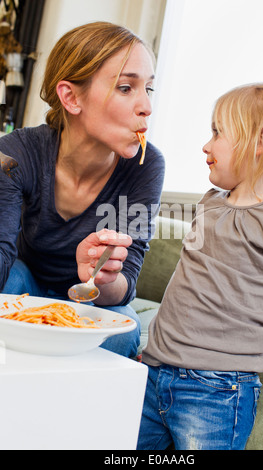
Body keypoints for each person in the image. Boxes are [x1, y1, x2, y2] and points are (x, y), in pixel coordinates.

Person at [137, 82, 263, 450]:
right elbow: (189, 284)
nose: (206, 146)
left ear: (261, 140)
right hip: (154, 371)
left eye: (217, 132)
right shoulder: (210, 202)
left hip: (217, 387)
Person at [0, 22, 165, 358]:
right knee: (11, 280)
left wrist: (102, 278)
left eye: (149, 89)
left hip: (84, 300)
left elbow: (125, 286)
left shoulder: (146, 166)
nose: (146, 106)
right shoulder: (16, 154)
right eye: (125, 88)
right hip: (25, 281)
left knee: (121, 335)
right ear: (71, 97)